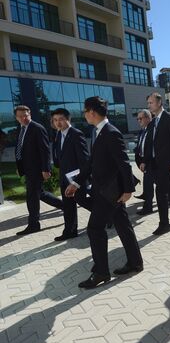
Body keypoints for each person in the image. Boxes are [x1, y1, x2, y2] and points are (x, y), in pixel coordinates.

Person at [65, 96, 143, 289]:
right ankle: (135, 262)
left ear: (92, 112)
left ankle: (101, 272)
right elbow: (92, 163)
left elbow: (123, 163)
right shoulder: (98, 131)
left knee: (94, 229)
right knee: (123, 225)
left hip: (110, 192)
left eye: (85, 111)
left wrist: (128, 190)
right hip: (104, 190)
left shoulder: (110, 132)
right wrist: (76, 183)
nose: (84, 115)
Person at [13, 105, 63, 236]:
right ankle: (65, 206)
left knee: (32, 197)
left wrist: (46, 169)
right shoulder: (21, 129)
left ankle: (34, 224)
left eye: (26, 115)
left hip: (36, 169)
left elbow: (45, 150)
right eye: (20, 116)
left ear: (30, 114)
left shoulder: (37, 128)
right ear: (16, 117)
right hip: (27, 169)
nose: (23, 118)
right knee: (39, 193)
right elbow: (21, 149)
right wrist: (20, 168)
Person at [143, 92, 170, 236]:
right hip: (156, 163)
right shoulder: (153, 121)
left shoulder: (169, 118)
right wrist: (145, 161)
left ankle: (164, 224)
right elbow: (152, 143)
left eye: (151, 103)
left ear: (159, 103)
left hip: (167, 164)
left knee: (160, 193)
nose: (149, 105)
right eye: (148, 103)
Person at [51, 108, 90, 241]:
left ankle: (108, 215)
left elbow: (84, 160)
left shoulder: (76, 134)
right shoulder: (58, 135)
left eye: (61, 119)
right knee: (68, 206)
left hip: (77, 178)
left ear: (68, 119)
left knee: (82, 200)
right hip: (64, 176)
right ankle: (70, 231)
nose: (58, 123)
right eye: (55, 120)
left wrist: (77, 181)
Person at [134, 109, 154, 215]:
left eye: (140, 118)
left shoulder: (153, 130)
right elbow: (141, 146)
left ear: (148, 118)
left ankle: (148, 207)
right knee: (150, 184)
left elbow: (150, 148)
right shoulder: (142, 131)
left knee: (148, 184)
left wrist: (145, 161)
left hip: (152, 162)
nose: (139, 121)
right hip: (144, 161)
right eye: (138, 119)